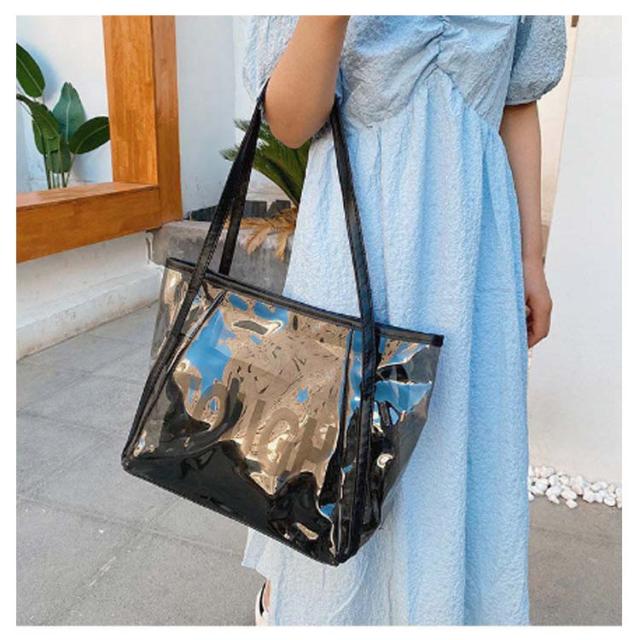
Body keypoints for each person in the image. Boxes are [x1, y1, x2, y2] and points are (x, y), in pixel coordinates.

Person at [242, 15, 566, 625]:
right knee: (337, 448)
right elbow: (289, 124)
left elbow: (517, 104)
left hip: (473, 257)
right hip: (355, 245)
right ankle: (312, 609)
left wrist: (530, 259)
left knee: (454, 442)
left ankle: (443, 609)